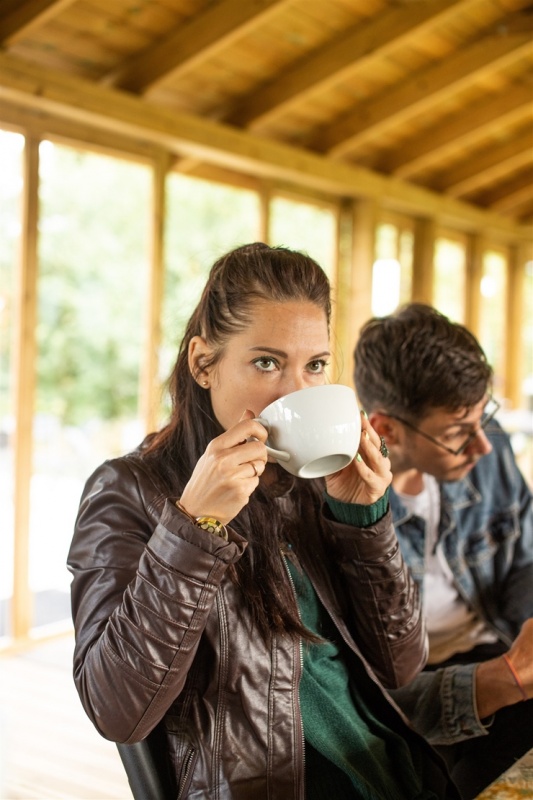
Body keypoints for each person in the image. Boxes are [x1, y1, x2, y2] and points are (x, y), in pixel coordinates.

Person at [68, 244, 459, 799]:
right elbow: (115, 711)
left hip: (388, 767)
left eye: (316, 365)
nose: (297, 391)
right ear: (204, 363)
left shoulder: (308, 485)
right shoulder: (127, 491)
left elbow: (401, 664)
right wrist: (193, 528)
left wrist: (363, 518)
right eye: (267, 362)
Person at [353, 302, 533, 800]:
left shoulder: (485, 445)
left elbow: (523, 561)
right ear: (386, 430)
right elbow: (370, 690)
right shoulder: (350, 511)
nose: (484, 446)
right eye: (458, 433)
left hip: (497, 645)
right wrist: (510, 674)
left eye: (484, 418)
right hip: (414, 692)